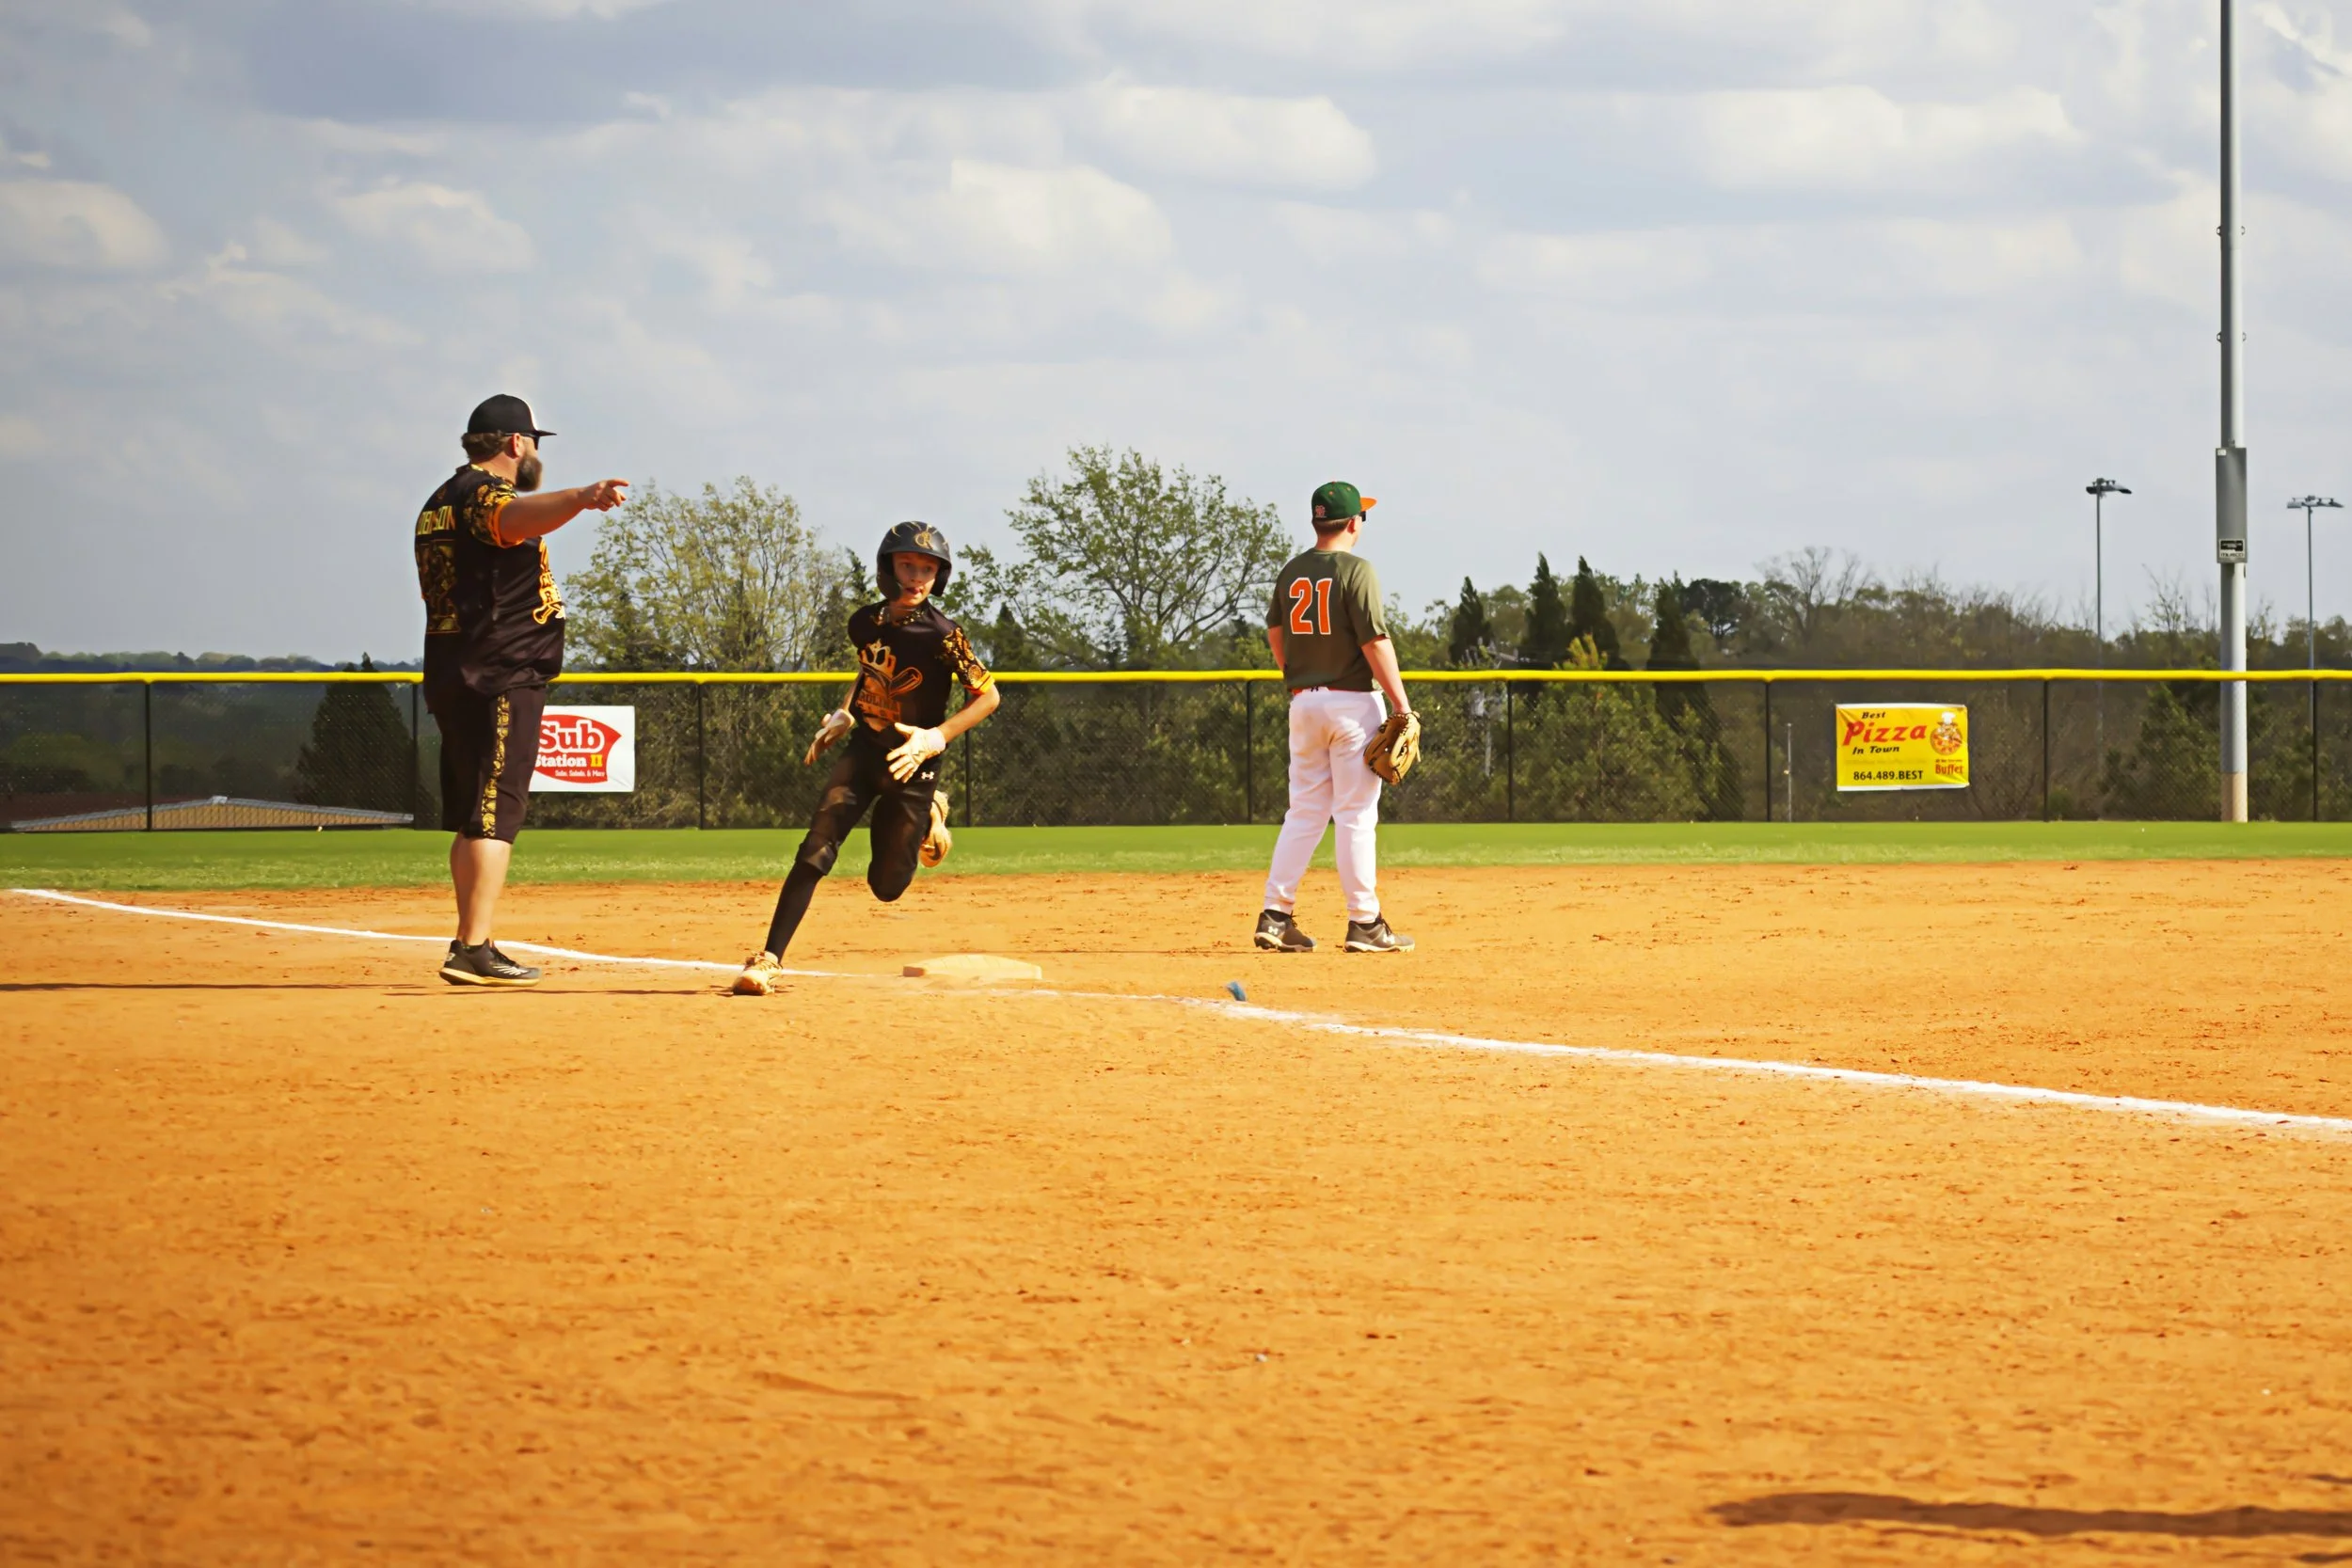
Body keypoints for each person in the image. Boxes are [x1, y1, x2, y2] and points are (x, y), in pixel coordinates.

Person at [733, 521, 1000, 996]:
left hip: (912, 761)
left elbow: (988, 696)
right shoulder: (864, 622)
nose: (918, 576)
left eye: (928, 568)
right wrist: (845, 713)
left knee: (887, 885)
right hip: (864, 753)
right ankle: (768, 959)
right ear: (887, 569)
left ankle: (929, 812)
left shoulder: (944, 634)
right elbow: (870, 671)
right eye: (908, 565)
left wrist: (936, 738)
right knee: (816, 847)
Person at [414, 393, 628, 987]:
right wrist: (583, 498)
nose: (533, 453)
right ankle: (474, 947)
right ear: (515, 444)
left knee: (471, 814)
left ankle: (468, 939)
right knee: (497, 809)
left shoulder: (438, 500)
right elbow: (511, 521)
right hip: (500, 670)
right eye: (532, 442)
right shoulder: (487, 493)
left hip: (455, 667)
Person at [1256, 481, 1414, 954]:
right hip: (1351, 703)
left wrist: (1298, 677)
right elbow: (1374, 641)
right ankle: (1364, 922)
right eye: (1362, 515)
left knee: (1304, 810)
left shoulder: (1292, 571)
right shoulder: (1356, 569)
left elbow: (1275, 632)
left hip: (1304, 702)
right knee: (1355, 815)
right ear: (1351, 523)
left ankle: (1276, 916)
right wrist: (1402, 705)